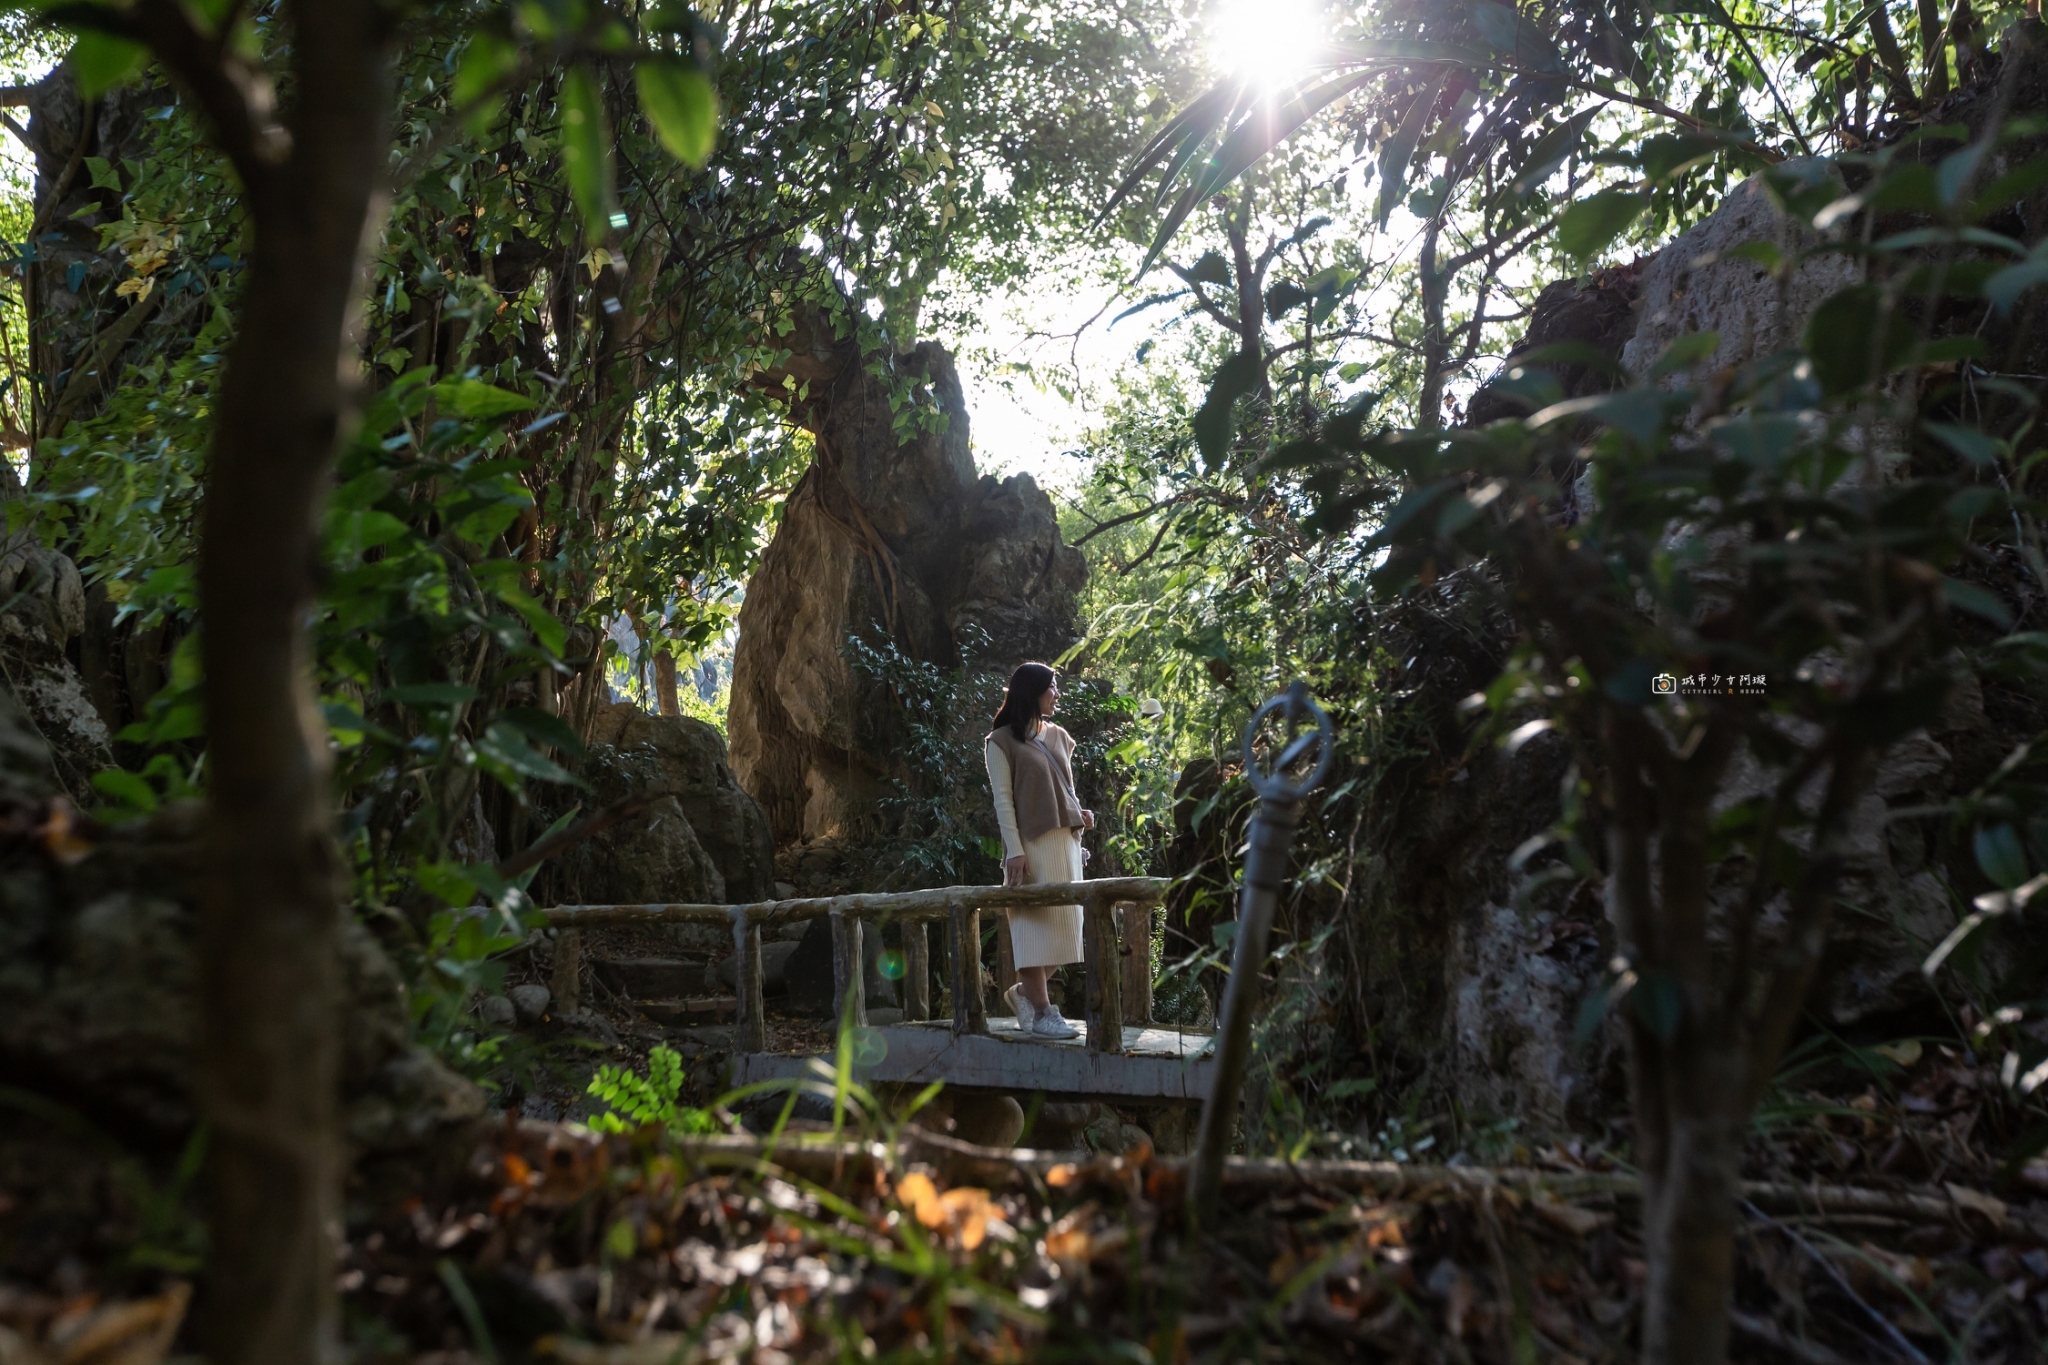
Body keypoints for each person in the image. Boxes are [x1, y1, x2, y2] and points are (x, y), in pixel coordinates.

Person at [984, 661, 1093, 1039]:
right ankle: (1044, 1012)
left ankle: (1024, 993)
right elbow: (1003, 801)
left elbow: (1065, 788)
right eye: (1051, 687)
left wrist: (1079, 815)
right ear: (1032, 691)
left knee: (1066, 932)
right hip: (1030, 847)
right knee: (1033, 929)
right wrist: (1014, 850)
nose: (1057, 694)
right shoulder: (1000, 741)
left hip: (1065, 843)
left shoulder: (1059, 736)